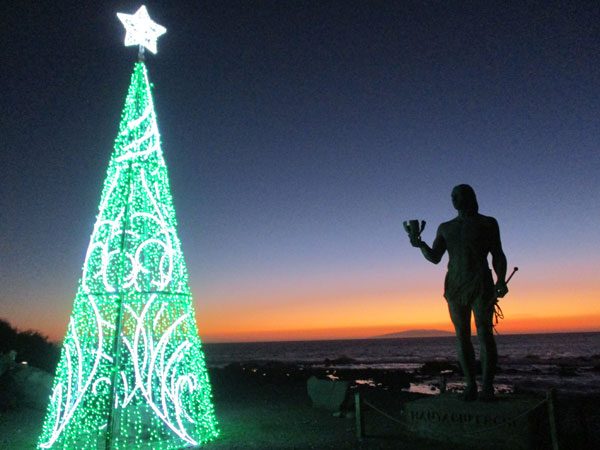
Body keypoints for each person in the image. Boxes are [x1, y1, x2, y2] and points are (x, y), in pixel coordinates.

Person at [409, 184, 508, 401]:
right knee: (461, 335)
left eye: (459, 195)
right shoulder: (445, 227)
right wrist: (420, 244)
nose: (454, 199)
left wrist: (501, 279)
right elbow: (435, 257)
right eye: (452, 196)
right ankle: (470, 385)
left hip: (481, 282)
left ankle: (487, 387)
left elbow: (498, 253)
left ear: (470, 197)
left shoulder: (487, 222)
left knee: (484, 333)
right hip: (454, 284)